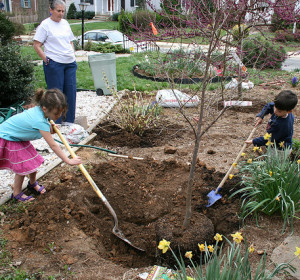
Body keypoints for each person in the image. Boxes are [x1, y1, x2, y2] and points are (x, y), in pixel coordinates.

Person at [0, 88, 82, 202]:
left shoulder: (40, 112)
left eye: (61, 112)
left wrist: (50, 129)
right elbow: (53, 145)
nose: (58, 116)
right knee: (23, 164)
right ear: (45, 108)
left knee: (33, 159)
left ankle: (32, 183)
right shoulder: (39, 121)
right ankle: (17, 193)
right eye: (56, 113)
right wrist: (68, 160)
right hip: (8, 138)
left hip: (17, 137)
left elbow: (42, 127)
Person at [33, 0, 77, 124]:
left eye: (63, 11)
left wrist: (72, 53)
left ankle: (69, 122)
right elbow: (36, 45)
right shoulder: (45, 25)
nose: (61, 14)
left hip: (70, 63)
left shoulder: (65, 23)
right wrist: (47, 60)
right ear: (51, 10)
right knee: (56, 95)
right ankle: (55, 123)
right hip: (54, 64)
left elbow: (70, 40)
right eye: (58, 11)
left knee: (71, 92)